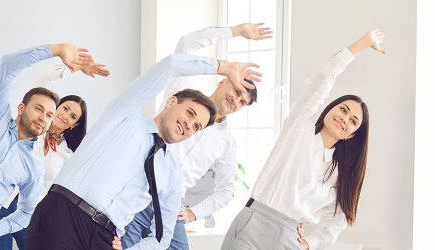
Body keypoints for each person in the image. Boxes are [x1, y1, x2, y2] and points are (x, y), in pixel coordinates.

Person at [26, 48, 262, 249]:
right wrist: (224, 66)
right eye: (189, 113)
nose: (189, 124)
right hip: (63, 216)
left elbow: (162, 237)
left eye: (196, 126)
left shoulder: (172, 173)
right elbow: (170, 65)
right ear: (171, 102)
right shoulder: (125, 116)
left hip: (105, 238)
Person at [221, 29, 383, 250]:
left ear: (352, 134)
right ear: (329, 109)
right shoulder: (298, 130)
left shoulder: (340, 174)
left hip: (290, 239)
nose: (344, 118)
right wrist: (362, 43)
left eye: (353, 121)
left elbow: (336, 223)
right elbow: (323, 78)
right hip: (253, 225)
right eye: (343, 109)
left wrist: (309, 244)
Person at [0, 42, 105, 249]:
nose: (43, 117)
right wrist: (58, 51)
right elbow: (8, 65)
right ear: (21, 107)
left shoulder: (36, 165)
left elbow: (28, 211)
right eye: (38, 109)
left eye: (49, 114)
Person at [121, 23, 271, 249]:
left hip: (170, 206)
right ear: (223, 80)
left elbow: (225, 191)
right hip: (138, 189)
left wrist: (193, 213)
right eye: (237, 92)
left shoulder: (226, 142)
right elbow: (186, 45)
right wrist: (237, 31)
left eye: (243, 103)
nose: (236, 101)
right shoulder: (183, 90)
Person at [0, 63, 109, 250]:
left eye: (73, 116)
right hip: (5, 202)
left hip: (31, 213)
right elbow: (43, 78)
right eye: (65, 108)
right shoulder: (36, 126)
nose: (65, 116)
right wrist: (75, 67)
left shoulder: (68, 155)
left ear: (74, 125)